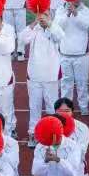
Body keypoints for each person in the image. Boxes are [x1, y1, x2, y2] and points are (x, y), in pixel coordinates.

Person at [21, 8, 65, 147]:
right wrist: (34, 24)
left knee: (52, 107)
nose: (42, 17)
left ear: (50, 16)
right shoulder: (34, 28)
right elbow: (22, 39)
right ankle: (33, 133)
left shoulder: (55, 27)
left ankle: (53, 134)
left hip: (51, 75)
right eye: (40, 14)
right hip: (34, 75)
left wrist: (49, 25)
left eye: (45, 14)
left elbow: (59, 37)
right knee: (34, 106)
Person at [54, 0, 89, 114]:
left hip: (81, 54)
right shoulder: (60, 10)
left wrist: (75, 13)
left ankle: (83, 106)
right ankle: (66, 108)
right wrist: (67, 13)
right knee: (66, 84)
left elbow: (86, 25)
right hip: (65, 53)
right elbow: (58, 26)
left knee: (82, 83)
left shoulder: (85, 10)